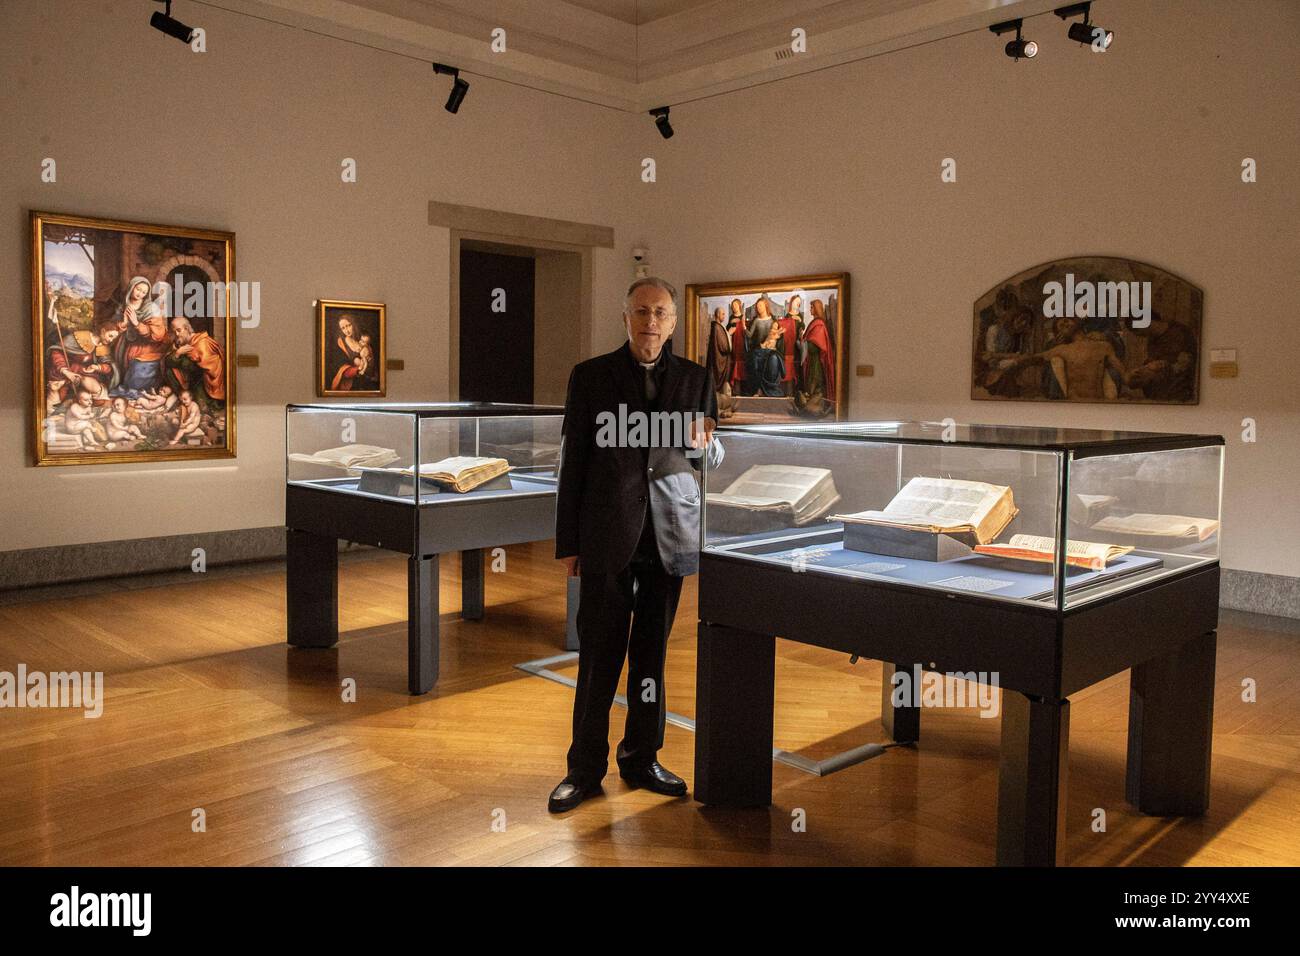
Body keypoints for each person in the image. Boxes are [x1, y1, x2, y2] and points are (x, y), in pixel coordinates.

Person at [549, 276, 723, 813]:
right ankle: (583, 767)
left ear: (673, 322)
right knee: (600, 655)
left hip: (670, 534)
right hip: (607, 535)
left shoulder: (696, 379)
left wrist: (709, 447)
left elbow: (707, 455)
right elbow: (572, 461)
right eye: (642, 311)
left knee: (651, 655)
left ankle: (642, 756)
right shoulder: (591, 376)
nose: (651, 322)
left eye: (662, 313)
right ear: (625, 317)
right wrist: (569, 543)